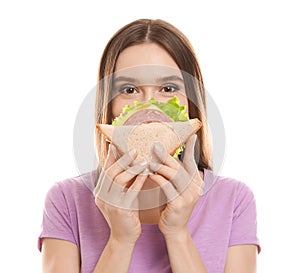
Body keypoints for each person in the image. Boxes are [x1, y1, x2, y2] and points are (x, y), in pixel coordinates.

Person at [38, 19, 260, 273]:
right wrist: (120, 241)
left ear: (190, 102)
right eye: (129, 89)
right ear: (108, 107)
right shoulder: (66, 200)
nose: (150, 107)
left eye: (168, 88)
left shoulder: (234, 200)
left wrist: (178, 234)